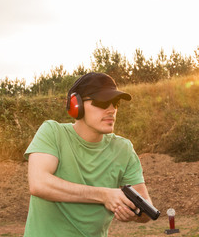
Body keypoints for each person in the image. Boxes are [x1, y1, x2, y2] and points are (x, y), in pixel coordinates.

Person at [24, 72, 154, 237]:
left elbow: (146, 208)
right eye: (102, 102)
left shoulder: (124, 149)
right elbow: (39, 183)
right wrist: (104, 195)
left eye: (115, 103)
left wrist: (135, 211)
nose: (112, 109)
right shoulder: (52, 132)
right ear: (76, 105)